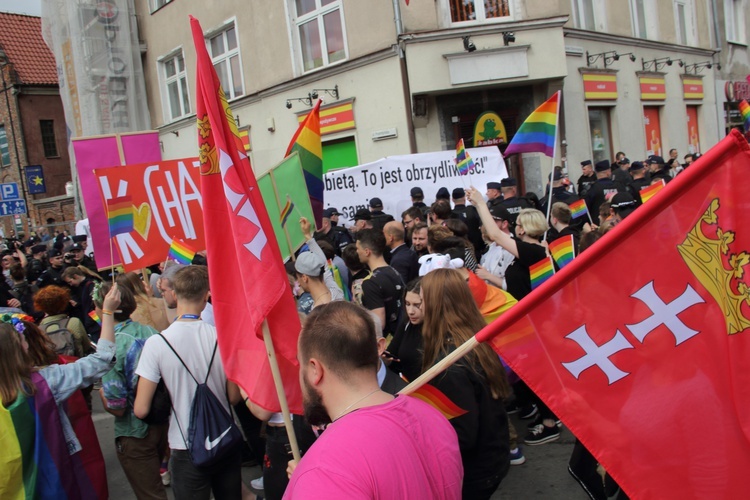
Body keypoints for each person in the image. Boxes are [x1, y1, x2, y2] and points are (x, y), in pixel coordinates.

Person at [284, 301, 463, 499]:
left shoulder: (325, 469)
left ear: (315, 370)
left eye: (299, 364)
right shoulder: (432, 414)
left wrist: (311, 484)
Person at [0, 287, 120, 499]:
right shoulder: (46, 382)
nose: (27, 341)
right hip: (50, 478)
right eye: (23, 339)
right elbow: (102, 360)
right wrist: (108, 313)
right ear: (18, 349)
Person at [135, 265, 242, 499]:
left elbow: (141, 409)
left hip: (184, 445)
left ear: (174, 294)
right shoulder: (221, 338)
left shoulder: (157, 344)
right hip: (224, 439)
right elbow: (233, 397)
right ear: (206, 296)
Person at [420, 269, 510, 498]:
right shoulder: (472, 339)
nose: (418, 308)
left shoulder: (451, 366)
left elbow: (461, 435)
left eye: (422, 301)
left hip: (475, 471)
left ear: (435, 305)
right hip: (493, 455)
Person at [96, 282, 168, 500]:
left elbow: (117, 408)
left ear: (104, 309)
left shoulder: (110, 347)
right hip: (162, 422)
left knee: (151, 494)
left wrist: (102, 394)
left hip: (134, 432)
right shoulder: (150, 331)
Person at [355, 228, 405, 338]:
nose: (356, 251)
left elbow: (379, 323)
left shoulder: (370, 282)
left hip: (386, 343)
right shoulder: (394, 271)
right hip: (400, 335)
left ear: (367, 251)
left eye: (358, 248)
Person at [35, 284, 94, 358]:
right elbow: (86, 346)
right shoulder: (74, 322)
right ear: (64, 303)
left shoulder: (39, 330)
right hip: (76, 364)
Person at [386, 278, 424, 383]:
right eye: (407, 304)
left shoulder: (440, 330)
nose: (411, 311)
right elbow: (392, 353)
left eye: (417, 305)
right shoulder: (407, 323)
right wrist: (386, 361)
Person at [62, 265, 103, 341]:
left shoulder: (90, 285)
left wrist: (89, 322)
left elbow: (93, 306)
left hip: (96, 324)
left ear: (76, 276)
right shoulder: (82, 288)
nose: (71, 284)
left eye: (70, 281)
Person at [584, 160, 626, 224]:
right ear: (608, 172)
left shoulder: (592, 188)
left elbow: (585, 209)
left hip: (599, 226)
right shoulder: (619, 186)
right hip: (618, 223)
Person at [451, 187, 484, 257]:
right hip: (475, 250)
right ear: (464, 198)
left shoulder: (450, 214)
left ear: (452, 199)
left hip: (457, 252)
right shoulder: (472, 210)